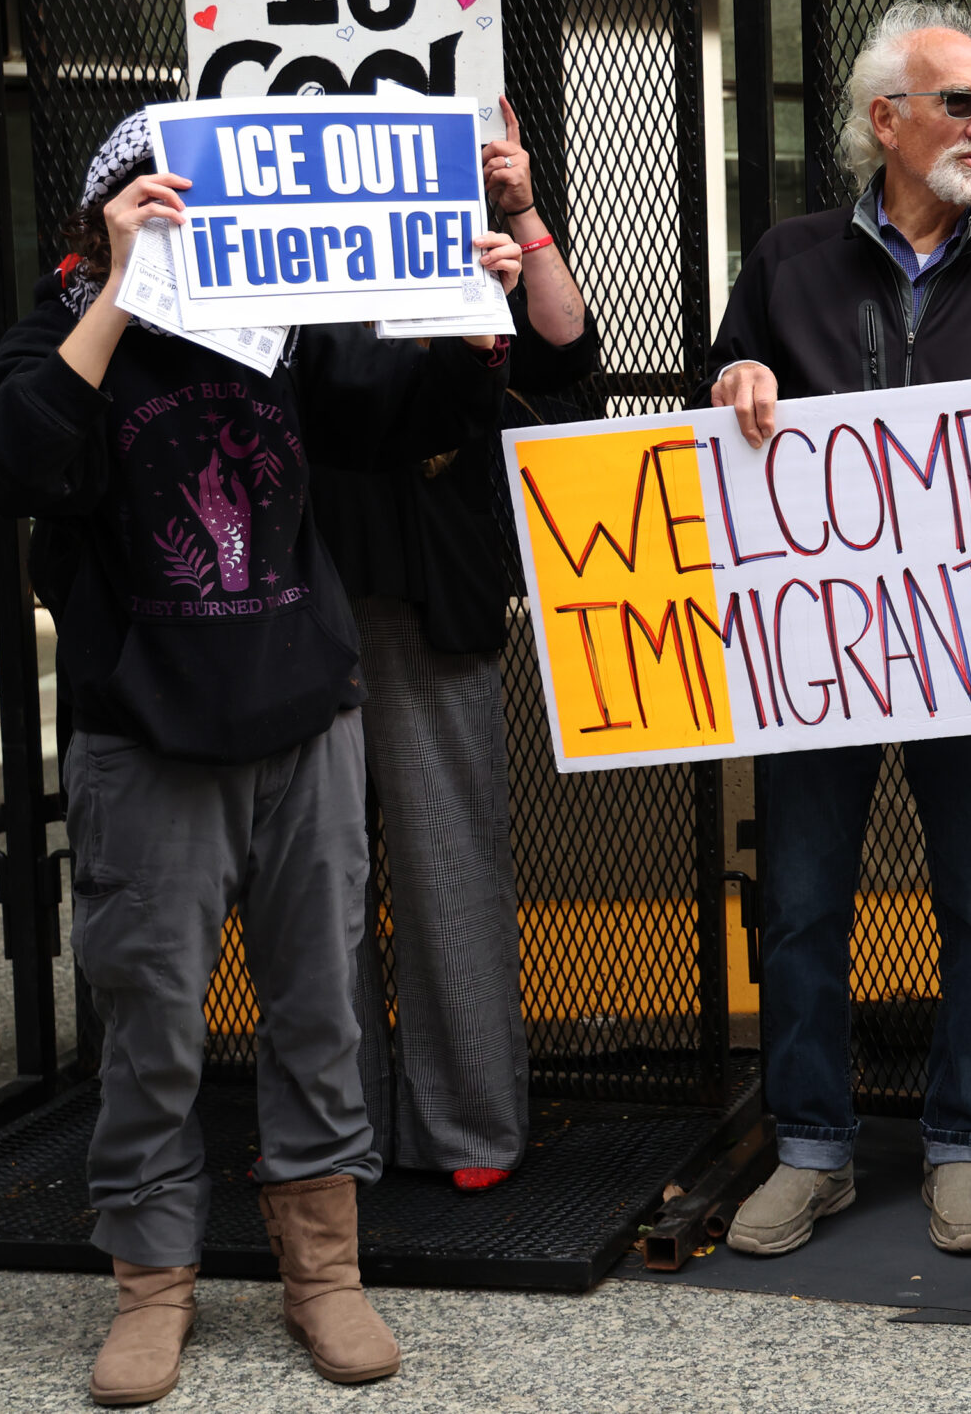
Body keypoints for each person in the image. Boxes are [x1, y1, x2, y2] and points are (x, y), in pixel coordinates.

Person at [0, 110, 523, 1406]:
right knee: (152, 1013)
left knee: (318, 1003)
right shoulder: (58, 320)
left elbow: (403, 419)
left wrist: (470, 313)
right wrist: (118, 286)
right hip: (147, 729)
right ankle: (152, 1280)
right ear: (108, 210)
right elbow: (20, 457)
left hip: (303, 714)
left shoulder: (275, 320)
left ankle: (323, 1271)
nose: (194, 227)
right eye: (164, 201)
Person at [709, 1, 971, 1257]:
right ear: (886, 121)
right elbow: (711, 436)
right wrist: (737, 387)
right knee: (804, 904)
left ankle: (962, 1148)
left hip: (966, 655)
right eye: (960, 103)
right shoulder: (785, 263)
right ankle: (811, 1152)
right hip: (820, 656)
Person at [314, 97, 597, 1194]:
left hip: (433, 568)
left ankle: (468, 1122)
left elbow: (571, 361)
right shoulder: (280, 236)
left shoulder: (475, 224)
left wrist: (522, 219)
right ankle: (328, 1126)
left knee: (447, 855)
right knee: (312, 873)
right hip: (303, 567)